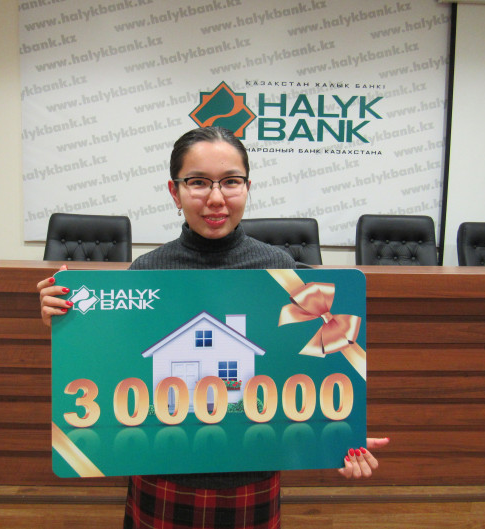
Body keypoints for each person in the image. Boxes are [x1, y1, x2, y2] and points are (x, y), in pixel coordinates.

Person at [38, 126, 389, 528]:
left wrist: (340, 438)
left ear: (247, 187)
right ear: (175, 192)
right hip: (163, 471)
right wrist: (66, 321)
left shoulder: (281, 271)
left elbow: (306, 367)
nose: (216, 198)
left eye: (231, 182)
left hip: (251, 473)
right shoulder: (147, 271)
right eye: (198, 182)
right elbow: (116, 364)